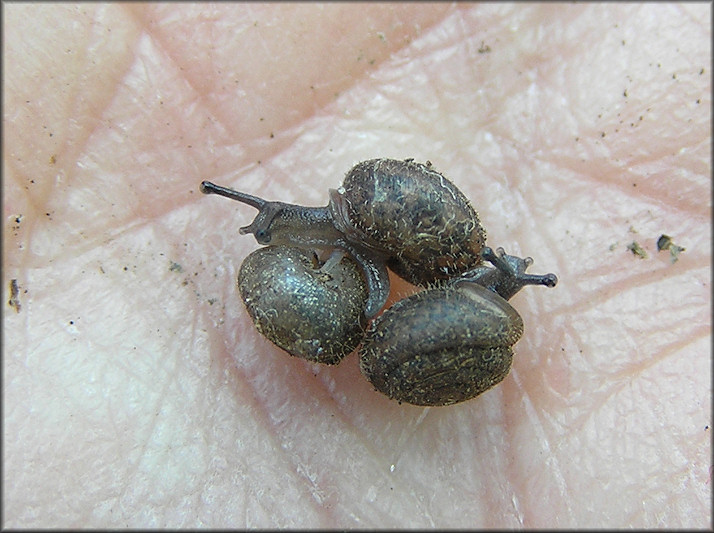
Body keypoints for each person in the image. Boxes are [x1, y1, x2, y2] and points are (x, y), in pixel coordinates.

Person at [3, 3, 710, 528]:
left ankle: (492, 280)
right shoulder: (367, 294)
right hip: (379, 287)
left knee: (436, 271)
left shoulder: (379, 289)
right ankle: (493, 280)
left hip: (389, 289)